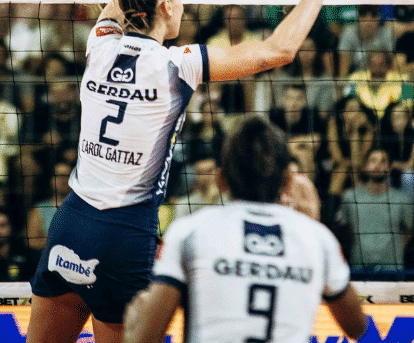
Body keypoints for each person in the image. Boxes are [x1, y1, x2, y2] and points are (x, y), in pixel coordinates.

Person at [24, 0, 354, 343]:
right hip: (125, 236)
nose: (182, 3)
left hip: (72, 222)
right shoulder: (177, 65)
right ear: (164, 9)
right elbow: (279, 51)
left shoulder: (99, 44)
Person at [122, 117, 367, 343]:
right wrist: (313, 229)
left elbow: (145, 338)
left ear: (221, 180)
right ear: (288, 180)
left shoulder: (190, 232)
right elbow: (356, 327)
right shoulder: (318, 239)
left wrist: (134, 321)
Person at [340, 147, 413, 273]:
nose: (377, 165)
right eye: (373, 160)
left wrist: (393, 252)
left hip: (391, 268)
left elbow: (408, 231)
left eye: (382, 161)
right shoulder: (350, 197)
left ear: (389, 168)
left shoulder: (401, 199)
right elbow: (345, 229)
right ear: (365, 167)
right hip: (359, 266)